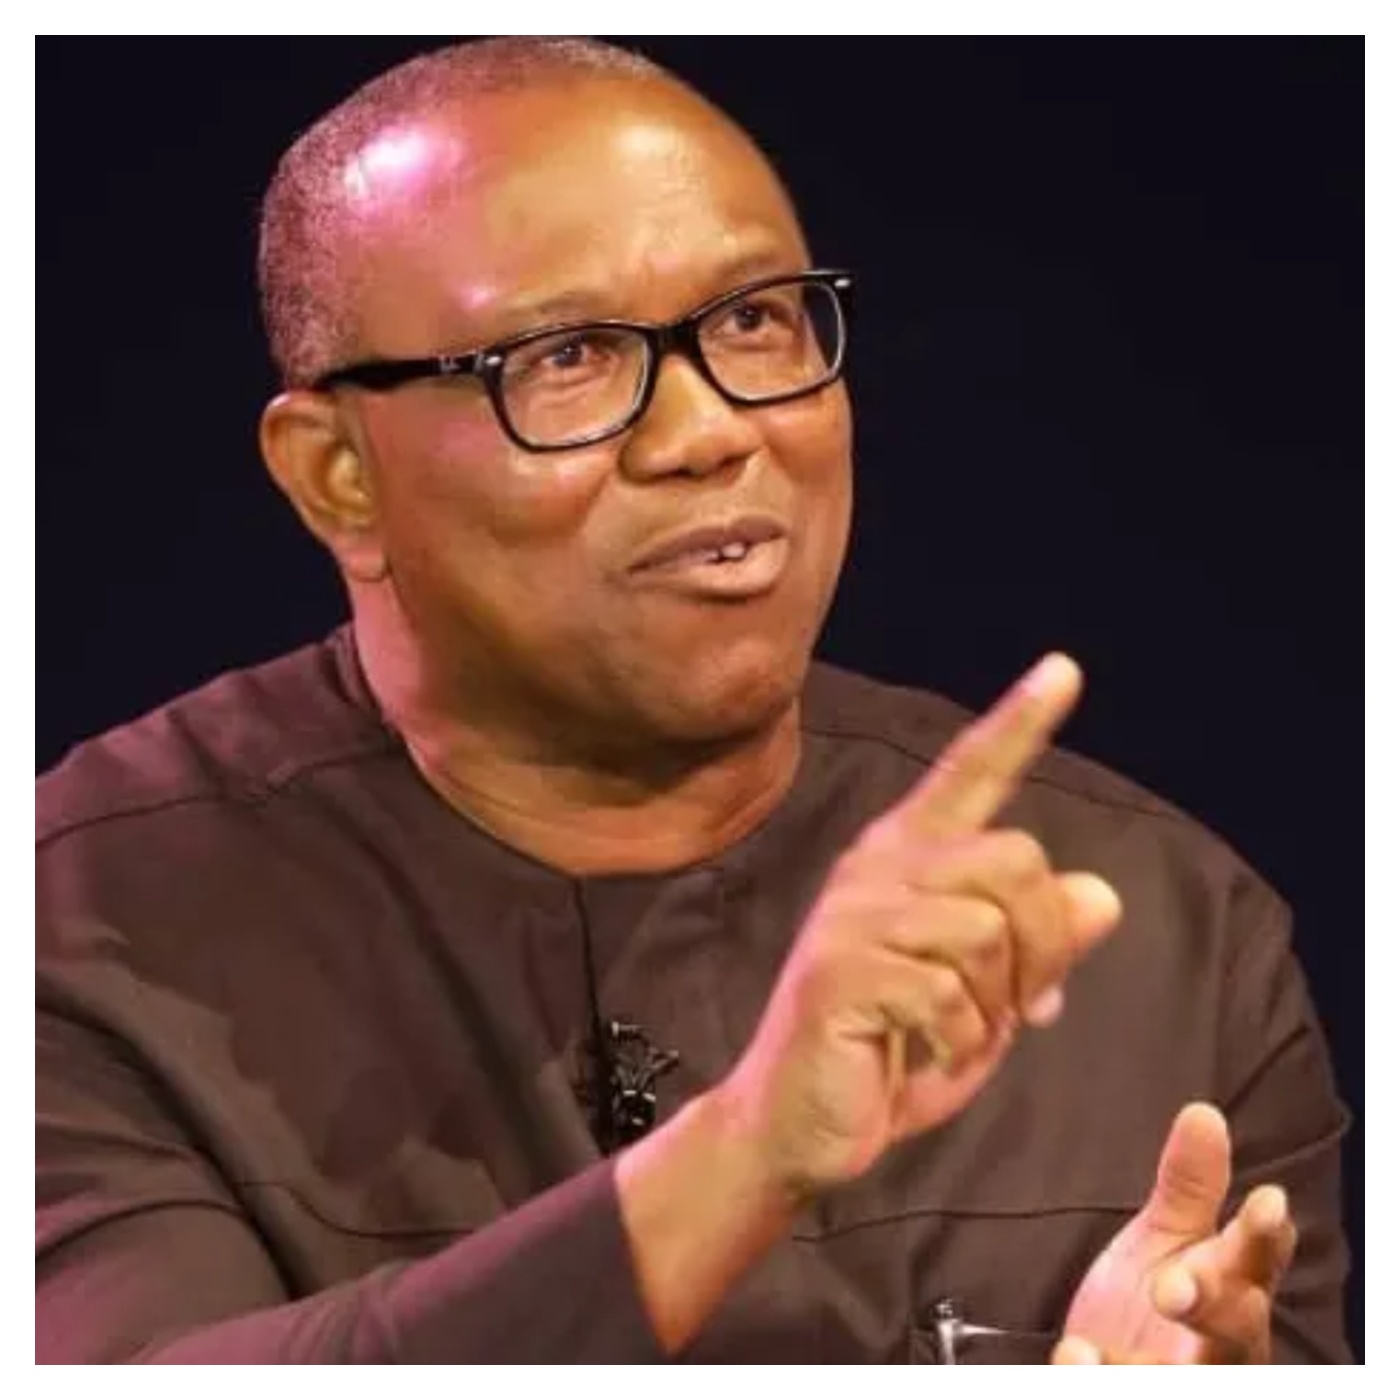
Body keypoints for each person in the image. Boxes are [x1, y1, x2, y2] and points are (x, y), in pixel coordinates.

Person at [35, 37, 1351, 1364]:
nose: (709, 431)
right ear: (339, 477)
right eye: (568, 356)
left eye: (754, 323)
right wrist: (746, 1149)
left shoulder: (1159, 932)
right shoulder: (80, 935)